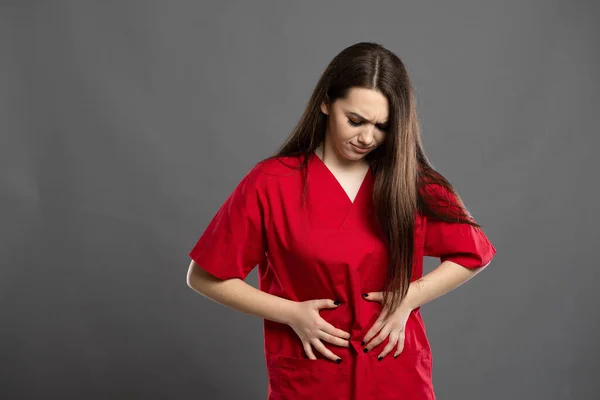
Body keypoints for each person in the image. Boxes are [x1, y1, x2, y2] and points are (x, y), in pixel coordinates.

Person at [186, 41, 497, 400]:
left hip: (394, 374)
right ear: (325, 102)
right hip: (313, 377)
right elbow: (205, 276)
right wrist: (291, 314)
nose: (367, 137)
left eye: (382, 126)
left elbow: (473, 254)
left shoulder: (409, 182)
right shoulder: (272, 183)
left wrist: (408, 298)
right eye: (355, 120)